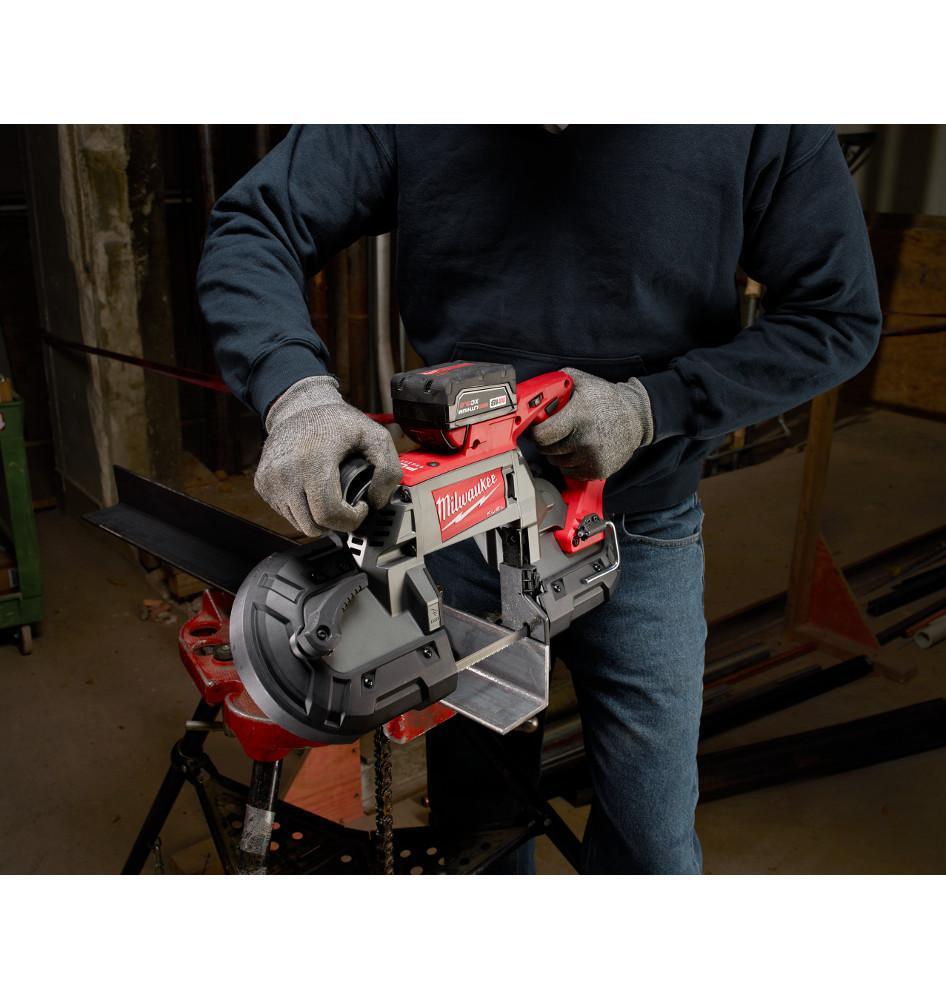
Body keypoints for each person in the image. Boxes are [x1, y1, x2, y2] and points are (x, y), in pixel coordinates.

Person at [197, 125, 881, 874]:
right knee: (478, 836)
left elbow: (837, 315)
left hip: (637, 526)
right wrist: (295, 394)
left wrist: (652, 407)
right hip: (456, 527)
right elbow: (256, 223)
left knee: (651, 846)